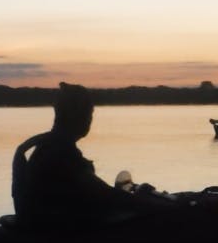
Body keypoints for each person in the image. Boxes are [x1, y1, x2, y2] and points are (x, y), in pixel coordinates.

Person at [12, 82, 141, 227]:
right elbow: (103, 192)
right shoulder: (61, 153)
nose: (90, 120)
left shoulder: (46, 146)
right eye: (89, 113)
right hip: (53, 234)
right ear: (77, 115)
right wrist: (144, 200)